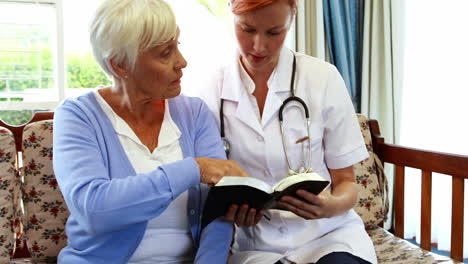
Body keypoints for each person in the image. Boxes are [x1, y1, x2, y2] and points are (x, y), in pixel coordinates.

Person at [52, 0, 248, 263]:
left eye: (177, 45)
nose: (182, 62)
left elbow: (218, 208)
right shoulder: (78, 116)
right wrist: (194, 168)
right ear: (120, 65)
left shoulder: (195, 113)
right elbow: (95, 209)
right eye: (165, 53)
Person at [200, 0, 378, 263]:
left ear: (291, 21)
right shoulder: (212, 89)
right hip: (257, 247)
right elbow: (209, 187)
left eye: (274, 32)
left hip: (329, 238)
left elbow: (347, 183)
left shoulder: (322, 78)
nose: (259, 46)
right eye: (247, 29)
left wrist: (331, 207)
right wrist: (232, 212)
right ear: (230, 15)